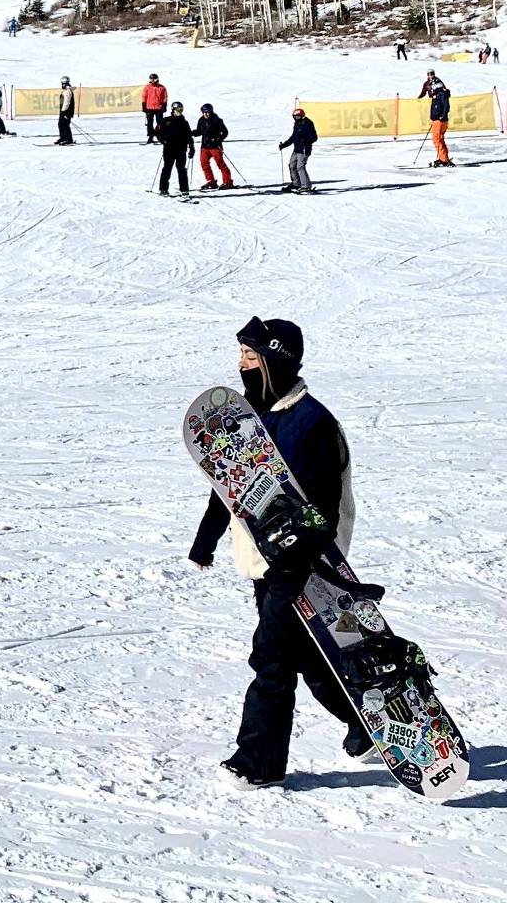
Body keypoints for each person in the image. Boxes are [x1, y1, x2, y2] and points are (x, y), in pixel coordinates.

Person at [190, 317, 371, 788]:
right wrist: (205, 540)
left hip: (302, 560)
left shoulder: (312, 423)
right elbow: (227, 485)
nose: (242, 365)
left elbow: (324, 509)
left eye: (252, 358)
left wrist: (300, 561)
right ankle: (366, 721)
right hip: (263, 558)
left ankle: (258, 762)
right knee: (308, 657)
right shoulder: (252, 418)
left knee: (270, 660)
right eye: (242, 357)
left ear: (276, 360)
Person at [156, 101, 194, 197]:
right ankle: (163, 189)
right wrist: (162, 140)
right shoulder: (166, 121)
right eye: (178, 110)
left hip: (181, 149)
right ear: (173, 110)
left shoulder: (184, 122)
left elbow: (189, 136)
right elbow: (157, 132)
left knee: (181, 169)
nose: (180, 112)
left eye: (181, 110)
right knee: (167, 168)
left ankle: (184, 189)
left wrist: (191, 147)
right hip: (169, 149)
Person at [279, 107, 319, 193]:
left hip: (304, 149)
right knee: (292, 166)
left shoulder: (308, 123)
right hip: (296, 150)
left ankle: (306, 186)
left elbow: (314, 137)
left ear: (301, 116)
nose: (296, 118)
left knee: (300, 167)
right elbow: (293, 137)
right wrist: (284, 145)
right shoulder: (297, 124)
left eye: (297, 116)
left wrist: (305, 141)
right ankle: (296, 183)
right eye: (294, 116)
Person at [196, 104, 234, 189]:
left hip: (215, 147)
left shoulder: (217, 120)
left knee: (220, 164)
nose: (206, 114)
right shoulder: (201, 120)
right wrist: (191, 133)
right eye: (204, 112)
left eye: (207, 112)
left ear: (211, 111)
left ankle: (228, 182)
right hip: (205, 146)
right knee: (204, 164)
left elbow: (225, 132)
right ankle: (211, 181)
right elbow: (199, 131)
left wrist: (218, 139)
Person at [420, 73, 454, 166]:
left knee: (437, 139)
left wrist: (441, 116)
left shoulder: (441, 95)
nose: (431, 90)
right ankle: (442, 157)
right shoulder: (438, 95)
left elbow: (446, 106)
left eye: (432, 88)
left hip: (439, 121)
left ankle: (444, 159)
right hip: (437, 120)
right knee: (439, 139)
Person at [142, 73, 169, 143]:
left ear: (157, 79)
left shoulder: (162, 87)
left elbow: (165, 97)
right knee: (149, 123)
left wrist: (164, 105)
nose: (152, 80)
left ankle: (160, 136)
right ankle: (151, 136)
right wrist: (144, 105)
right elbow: (144, 96)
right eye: (151, 79)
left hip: (158, 108)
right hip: (149, 107)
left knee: (160, 123)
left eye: (154, 79)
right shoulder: (147, 87)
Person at [56, 77, 77, 145]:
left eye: (62, 84)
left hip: (66, 111)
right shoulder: (66, 91)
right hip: (63, 111)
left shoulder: (67, 91)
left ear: (65, 84)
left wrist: (64, 112)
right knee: (60, 124)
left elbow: (66, 103)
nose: (61, 85)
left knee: (65, 125)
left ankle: (69, 139)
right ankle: (63, 138)